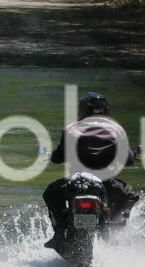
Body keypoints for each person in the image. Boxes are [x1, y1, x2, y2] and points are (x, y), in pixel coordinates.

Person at [43, 91, 139, 253]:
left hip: (76, 184)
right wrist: (135, 154)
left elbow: (58, 157)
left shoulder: (71, 129)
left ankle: (59, 233)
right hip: (106, 184)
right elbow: (128, 160)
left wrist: (51, 155)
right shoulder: (116, 129)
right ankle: (112, 231)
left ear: (83, 110)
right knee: (130, 195)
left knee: (50, 193)